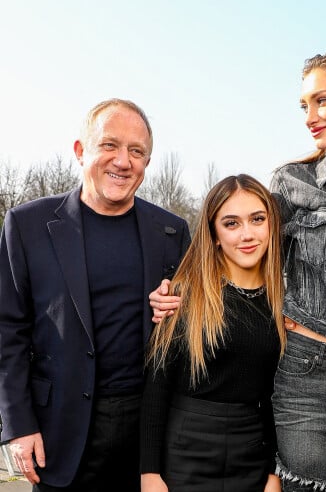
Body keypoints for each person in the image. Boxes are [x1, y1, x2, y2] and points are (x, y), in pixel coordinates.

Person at [149, 50, 326, 491]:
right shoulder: (291, 183)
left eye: (322, 100)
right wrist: (177, 291)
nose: (310, 116)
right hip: (306, 377)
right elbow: (240, 247)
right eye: (304, 106)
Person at [0, 99, 191, 491]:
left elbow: (191, 330)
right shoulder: (27, 225)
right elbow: (7, 332)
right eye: (109, 145)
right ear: (80, 151)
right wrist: (17, 425)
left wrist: (182, 310)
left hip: (147, 443)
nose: (123, 161)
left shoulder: (173, 233)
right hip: (58, 435)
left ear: (147, 163)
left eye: (137, 151)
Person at [140, 174, 286, 492]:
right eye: (231, 223)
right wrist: (149, 474)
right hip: (185, 456)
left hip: (252, 457)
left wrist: (274, 473)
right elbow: (156, 389)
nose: (247, 234)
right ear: (215, 234)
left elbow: (279, 398)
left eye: (257, 219)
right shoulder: (183, 296)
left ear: (271, 225)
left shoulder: (284, 302)